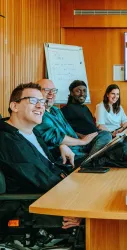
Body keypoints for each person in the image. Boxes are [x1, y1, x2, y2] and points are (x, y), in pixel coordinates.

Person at [0, 83, 80, 229]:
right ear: (14, 106)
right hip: (38, 211)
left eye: (42, 102)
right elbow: (43, 179)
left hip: (55, 198)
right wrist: (77, 202)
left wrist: (61, 145)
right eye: (33, 101)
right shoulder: (7, 141)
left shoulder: (32, 132)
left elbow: (48, 166)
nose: (40, 106)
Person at [35, 79, 127, 168]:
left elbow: (69, 130)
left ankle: (96, 157)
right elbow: (54, 137)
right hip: (71, 152)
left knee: (113, 137)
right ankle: (92, 161)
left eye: (53, 90)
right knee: (125, 153)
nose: (51, 94)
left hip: (82, 145)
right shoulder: (40, 114)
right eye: (47, 90)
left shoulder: (55, 110)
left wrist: (84, 138)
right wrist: (82, 141)